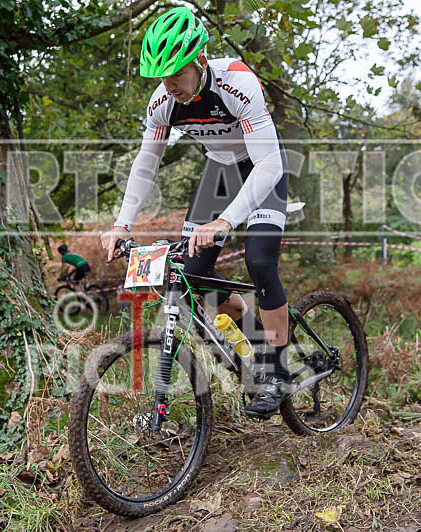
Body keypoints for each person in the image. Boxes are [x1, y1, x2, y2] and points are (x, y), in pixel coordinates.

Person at [100, 6, 291, 417]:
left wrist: (224, 223)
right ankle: (251, 340)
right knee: (190, 276)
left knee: (259, 262)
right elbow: (145, 164)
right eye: (163, 79)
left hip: (261, 169)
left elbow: (269, 164)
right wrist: (121, 225)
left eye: (176, 76)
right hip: (218, 174)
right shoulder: (163, 103)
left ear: (200, 61)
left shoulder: (238, 83)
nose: (170, 87)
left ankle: (277, 372)